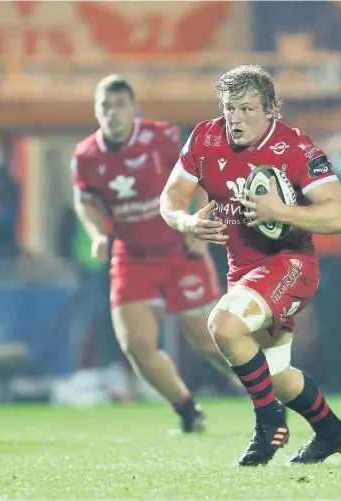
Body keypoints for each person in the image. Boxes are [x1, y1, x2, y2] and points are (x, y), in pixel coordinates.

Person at [160, 64, 341, 466]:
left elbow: (339, 218)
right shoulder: (204, 137)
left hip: (290, 264)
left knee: (222, 325)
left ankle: (267, 425)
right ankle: (332, 431)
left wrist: (281, 210)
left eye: (246, 109)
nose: (235, 119)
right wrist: (189, 222)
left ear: (271, 110)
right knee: (277, 377)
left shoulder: (297, 148)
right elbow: (170, 199)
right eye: (230, 108)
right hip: (243, 271)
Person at [71, 75, 235, 433]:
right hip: (131, 256)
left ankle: (263, 389)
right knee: (136, 344)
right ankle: (189, 412)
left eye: (119, 105)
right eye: (105, 106)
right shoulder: (86, 155)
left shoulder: (163, 137)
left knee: (208, 341)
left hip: (178, 249)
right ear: (96, 110)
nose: (112, 113)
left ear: (132, 108)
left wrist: (198, 224)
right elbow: (83, 201)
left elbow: (203, 171)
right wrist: (98, 233)